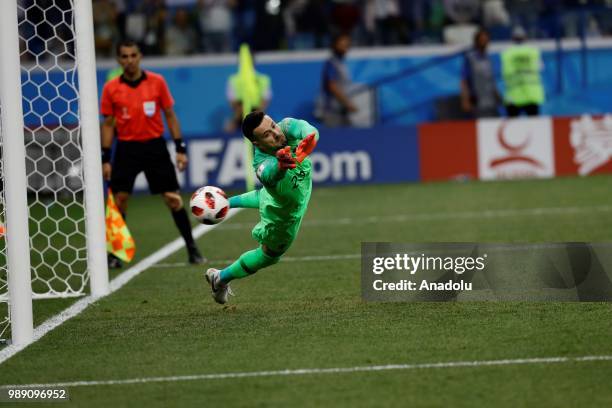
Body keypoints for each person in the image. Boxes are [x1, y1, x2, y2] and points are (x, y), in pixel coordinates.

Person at [100, 40, 204, 268]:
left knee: (173, 199)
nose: (129, 60)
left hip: (155, 148)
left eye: (133, 55)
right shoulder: (111, 88)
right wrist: (105, 158)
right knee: (120, 200)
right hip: (126, 149)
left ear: (140, 56)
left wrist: (180, 148)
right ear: (119, 60)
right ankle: (116, 254)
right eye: (124, 56)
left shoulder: (157, 82)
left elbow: (170, 115)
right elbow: (108, 124)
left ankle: (192, 247)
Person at [205, 111, 318, 304]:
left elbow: (307, 129)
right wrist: (281, 166)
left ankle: (225, 203)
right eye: (266, 134)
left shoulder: (285, 127)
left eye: (273, 125)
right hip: (283, 216)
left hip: (280, 196)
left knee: (266, 196)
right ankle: (221, 278)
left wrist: (308, 139)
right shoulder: (262, 164)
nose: (275, 133)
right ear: (257, 143)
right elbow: (270, 175)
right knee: (269, 256)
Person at [501, 26, 545, 117]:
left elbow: (506, 73)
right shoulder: (533, 52)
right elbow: (540, 68)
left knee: (513, 128)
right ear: (525, 37)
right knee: (534, 126)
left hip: (514, 96)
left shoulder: (507, 54)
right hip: (532, 94)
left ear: (513, 38)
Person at [317, 32, 358, 127]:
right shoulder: (332, 63)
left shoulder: (341, 63)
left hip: (342, 110)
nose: (344, 47)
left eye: (346, 44)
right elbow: (332, 86)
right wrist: (347, 103)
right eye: (342, 44)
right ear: (335, 45)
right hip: (333, 110)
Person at [460, 28, 501, 118]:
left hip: (490, 100)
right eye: (482, 40)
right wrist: (465, 99)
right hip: (477, 100)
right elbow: (464, 80)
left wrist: (497, 94)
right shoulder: (470, 58)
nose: (485, 42)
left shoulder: (488, 59)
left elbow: (491, 79)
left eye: (486, 40)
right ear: (476, 41)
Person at [224, 61, 272, 133]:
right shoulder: (233, 79)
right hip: (240, 113)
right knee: (228, 127)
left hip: (257, 113)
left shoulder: (263, 79)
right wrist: (242, 113)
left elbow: (265, 101)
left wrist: (254, 117)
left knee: (270, 128)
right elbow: (232, 102)